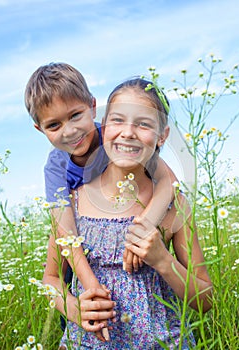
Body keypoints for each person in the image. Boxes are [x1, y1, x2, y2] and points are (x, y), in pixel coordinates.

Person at [43, 77, 212, 349]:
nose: (128, 132)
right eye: (118, 120)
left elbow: (207, 301)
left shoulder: (173, 206)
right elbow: (50, 279)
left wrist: (163, 260)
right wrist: (74, 308)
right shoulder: (72, 202)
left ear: (162, 136)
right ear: (103, 126)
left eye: (144, 123)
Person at [24, 63, 177, 338]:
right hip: (81, 242)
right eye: (54, 125)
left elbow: (169, 180)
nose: (70, 131)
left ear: (93, 108)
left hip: (125, 224)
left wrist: (145, 224)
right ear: (40, 129)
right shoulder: (56, 168)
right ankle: (74, 331)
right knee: (76, 301)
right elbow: (65, 231)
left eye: (75, 115)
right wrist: (91, 287)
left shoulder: (114, 137)